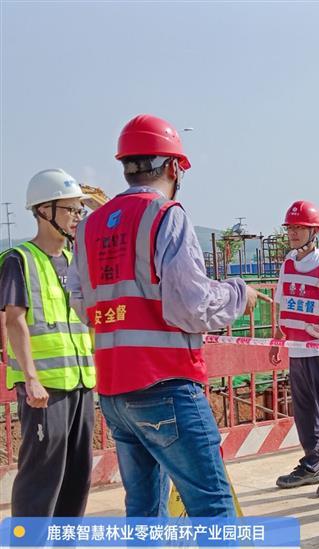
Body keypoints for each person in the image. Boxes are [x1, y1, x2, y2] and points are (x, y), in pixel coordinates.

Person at [67, 113, 264, 516]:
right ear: (174, 167)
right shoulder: (165, 215)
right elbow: (190, 305)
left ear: (126, 167)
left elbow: (81, 303)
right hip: (166, 384)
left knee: (143, 509)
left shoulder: (88, 227)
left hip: (115, 391)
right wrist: (238, 295)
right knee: (212, 506)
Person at [1, 169, 95, 516]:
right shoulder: (19, 260)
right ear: (44, 211)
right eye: (70, 209)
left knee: (77, 474)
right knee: (42, 477)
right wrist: (31, 379)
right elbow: (14, 321)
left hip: (81, 383)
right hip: (43, 390)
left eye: (79, 210)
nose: (77, 217)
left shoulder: (75, 262)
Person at [269, 200, 319, 497]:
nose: (293, 233)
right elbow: (281, 302)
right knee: (303, 412)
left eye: (299, 228)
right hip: (296, 350)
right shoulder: (288, 263)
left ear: (314, 232)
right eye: (290, 228)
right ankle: (310, 465)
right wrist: (277, 339)